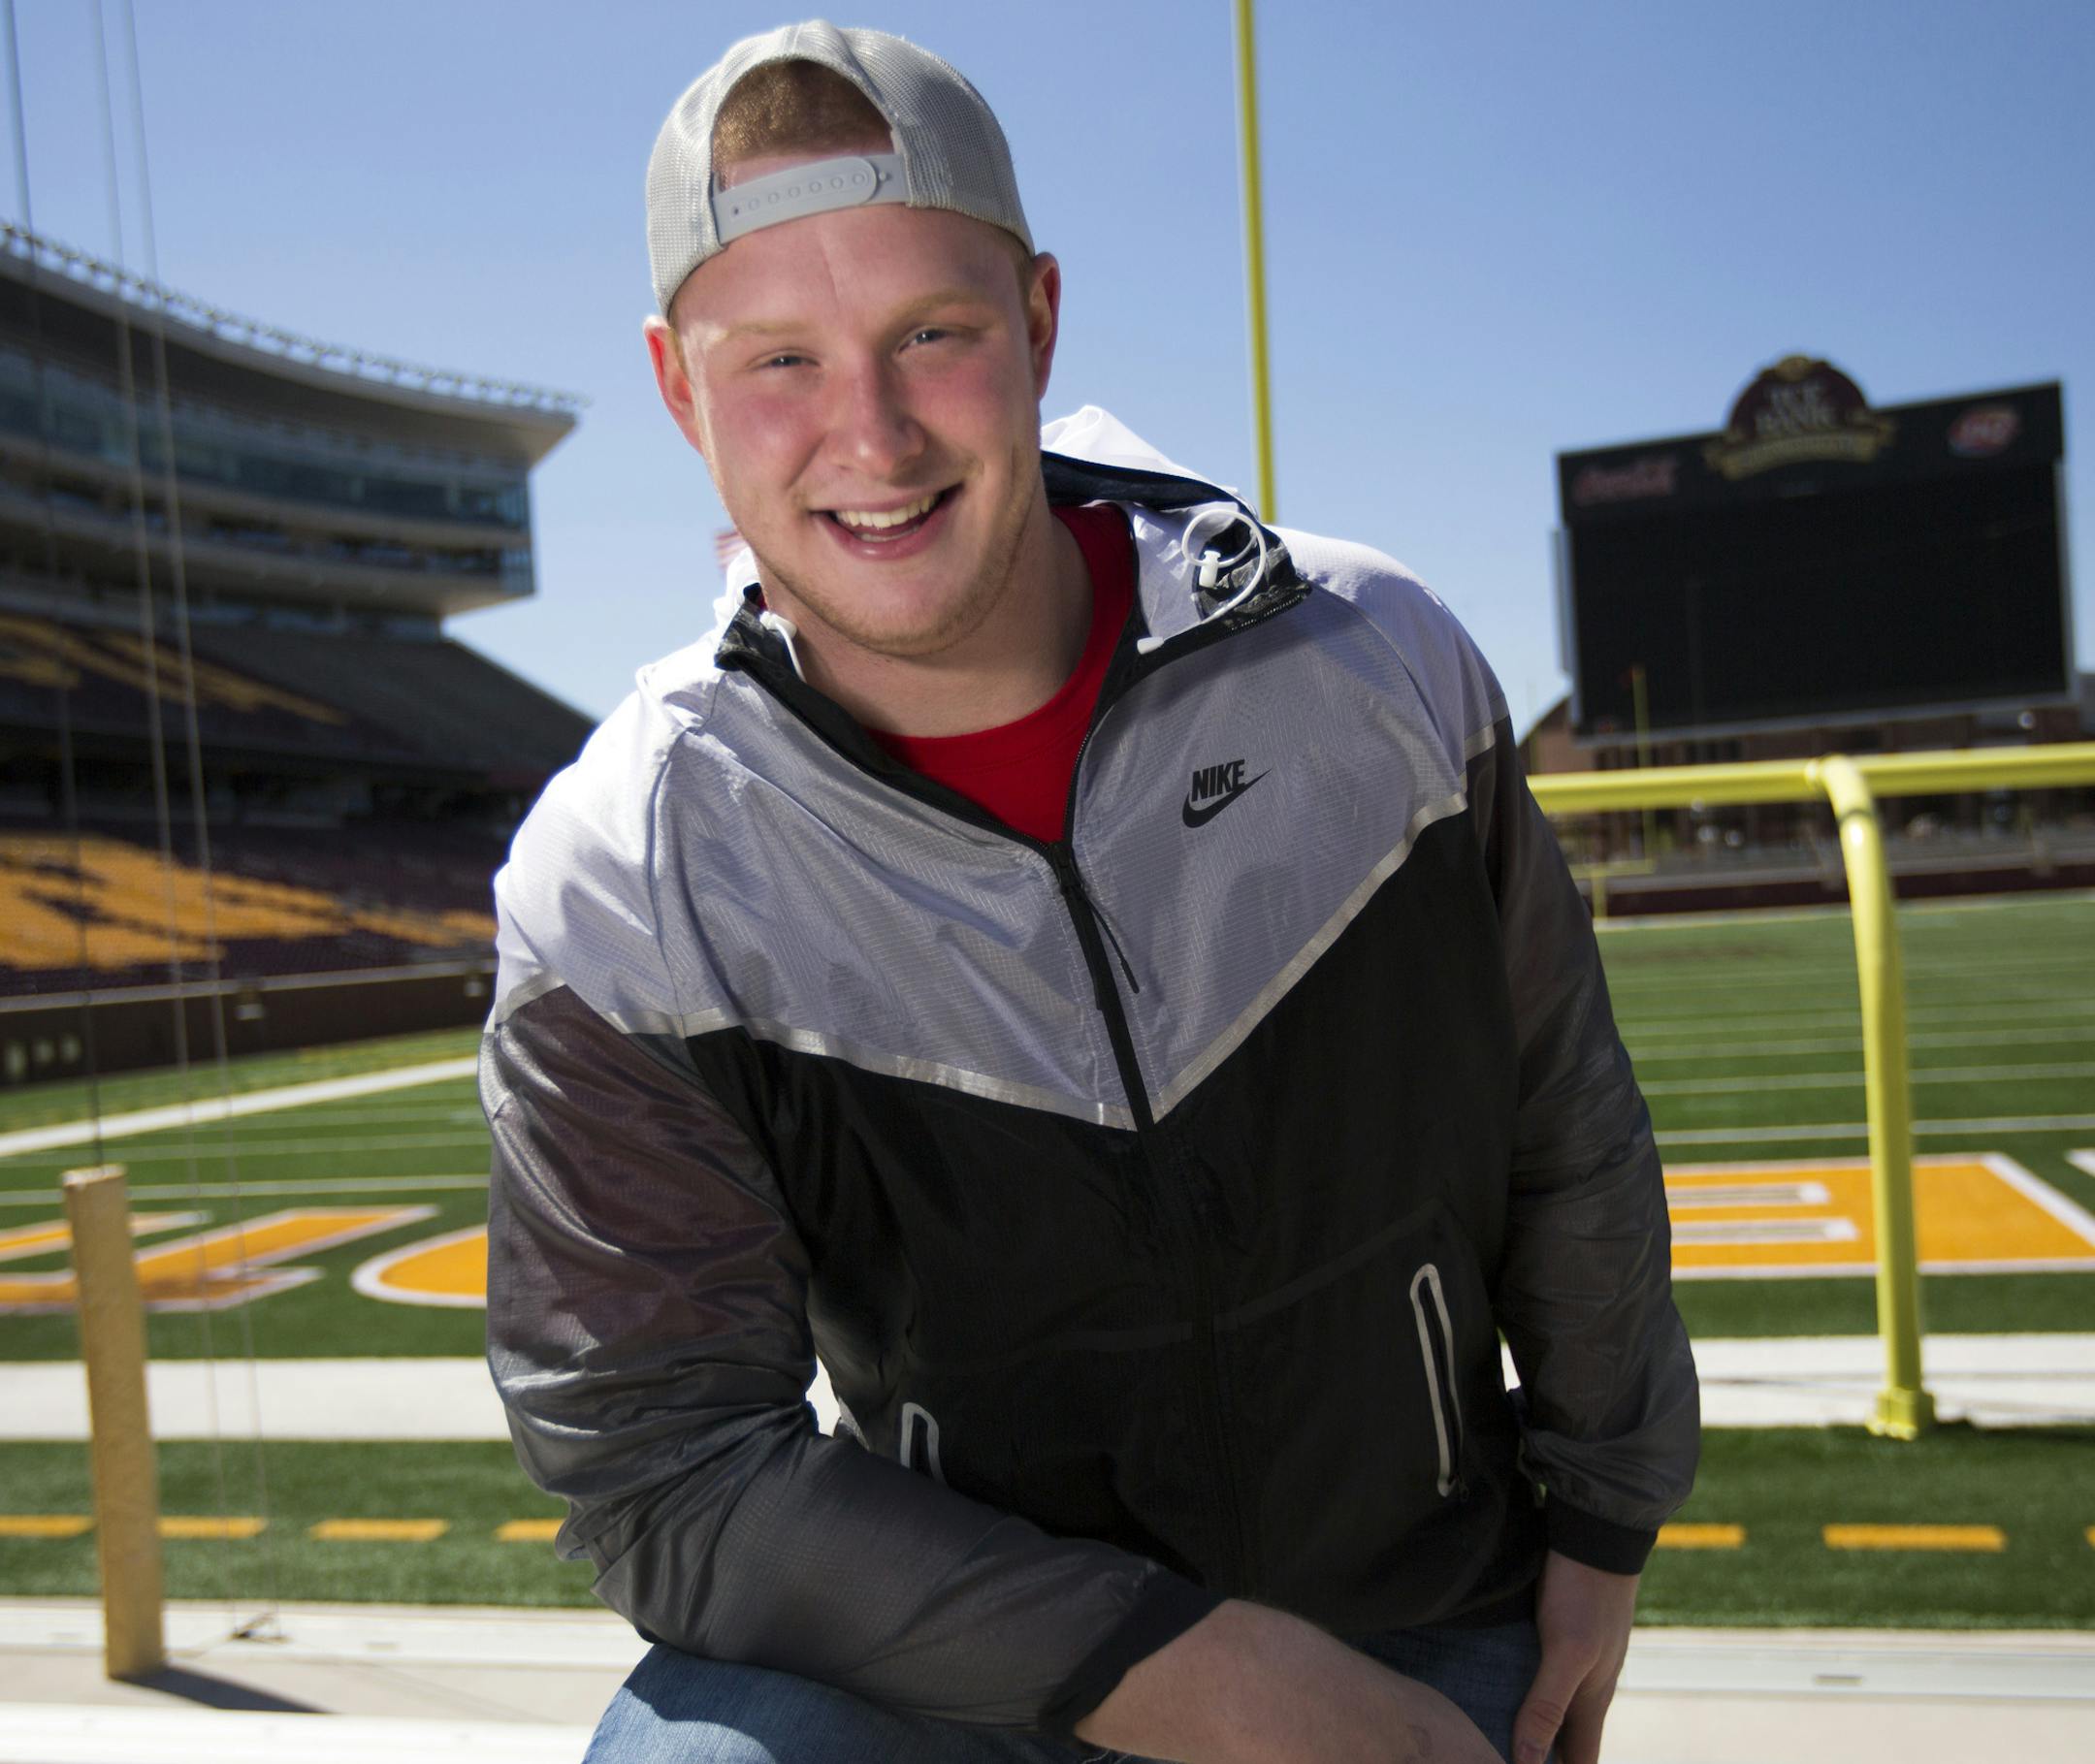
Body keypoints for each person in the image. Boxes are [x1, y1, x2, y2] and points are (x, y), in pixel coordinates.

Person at [482, 19, 1699, 1764]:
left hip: (1423, 1596)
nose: (871, 435)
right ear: (679, 389)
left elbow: (1563, 1122)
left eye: (932, 333)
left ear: (1039, 320)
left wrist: (1600, 1523)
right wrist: (1231, 1688)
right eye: (780, 362)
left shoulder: (1378, 665)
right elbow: (666, 1470)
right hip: (974, 1669)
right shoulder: (630, 877)